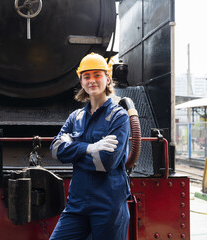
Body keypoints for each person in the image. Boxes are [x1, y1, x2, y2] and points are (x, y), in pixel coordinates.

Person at [50, 53, 131, 240]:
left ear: (108, 78)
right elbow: (55, 150)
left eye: (97, 75)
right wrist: (89, 148)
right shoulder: (76, 117)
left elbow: (106, 162)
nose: (92, 80)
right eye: (86, 76)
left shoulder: (119, 116)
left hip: (108, 204)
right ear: (81, 80)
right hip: (77, 204)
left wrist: (74, 149)